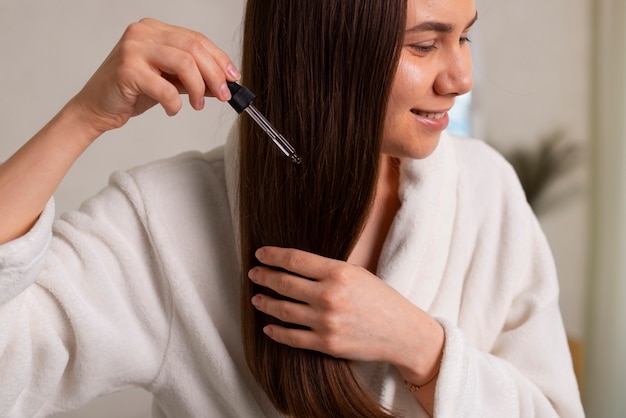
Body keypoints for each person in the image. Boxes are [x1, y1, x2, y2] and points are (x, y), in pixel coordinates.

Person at [0, 0, 584, 417]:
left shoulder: (488, 192)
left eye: (465, 37)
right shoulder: (164, 221)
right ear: (327, 49)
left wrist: (421, 347)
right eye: (426, 44)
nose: (462, 78)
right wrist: (86, 117)